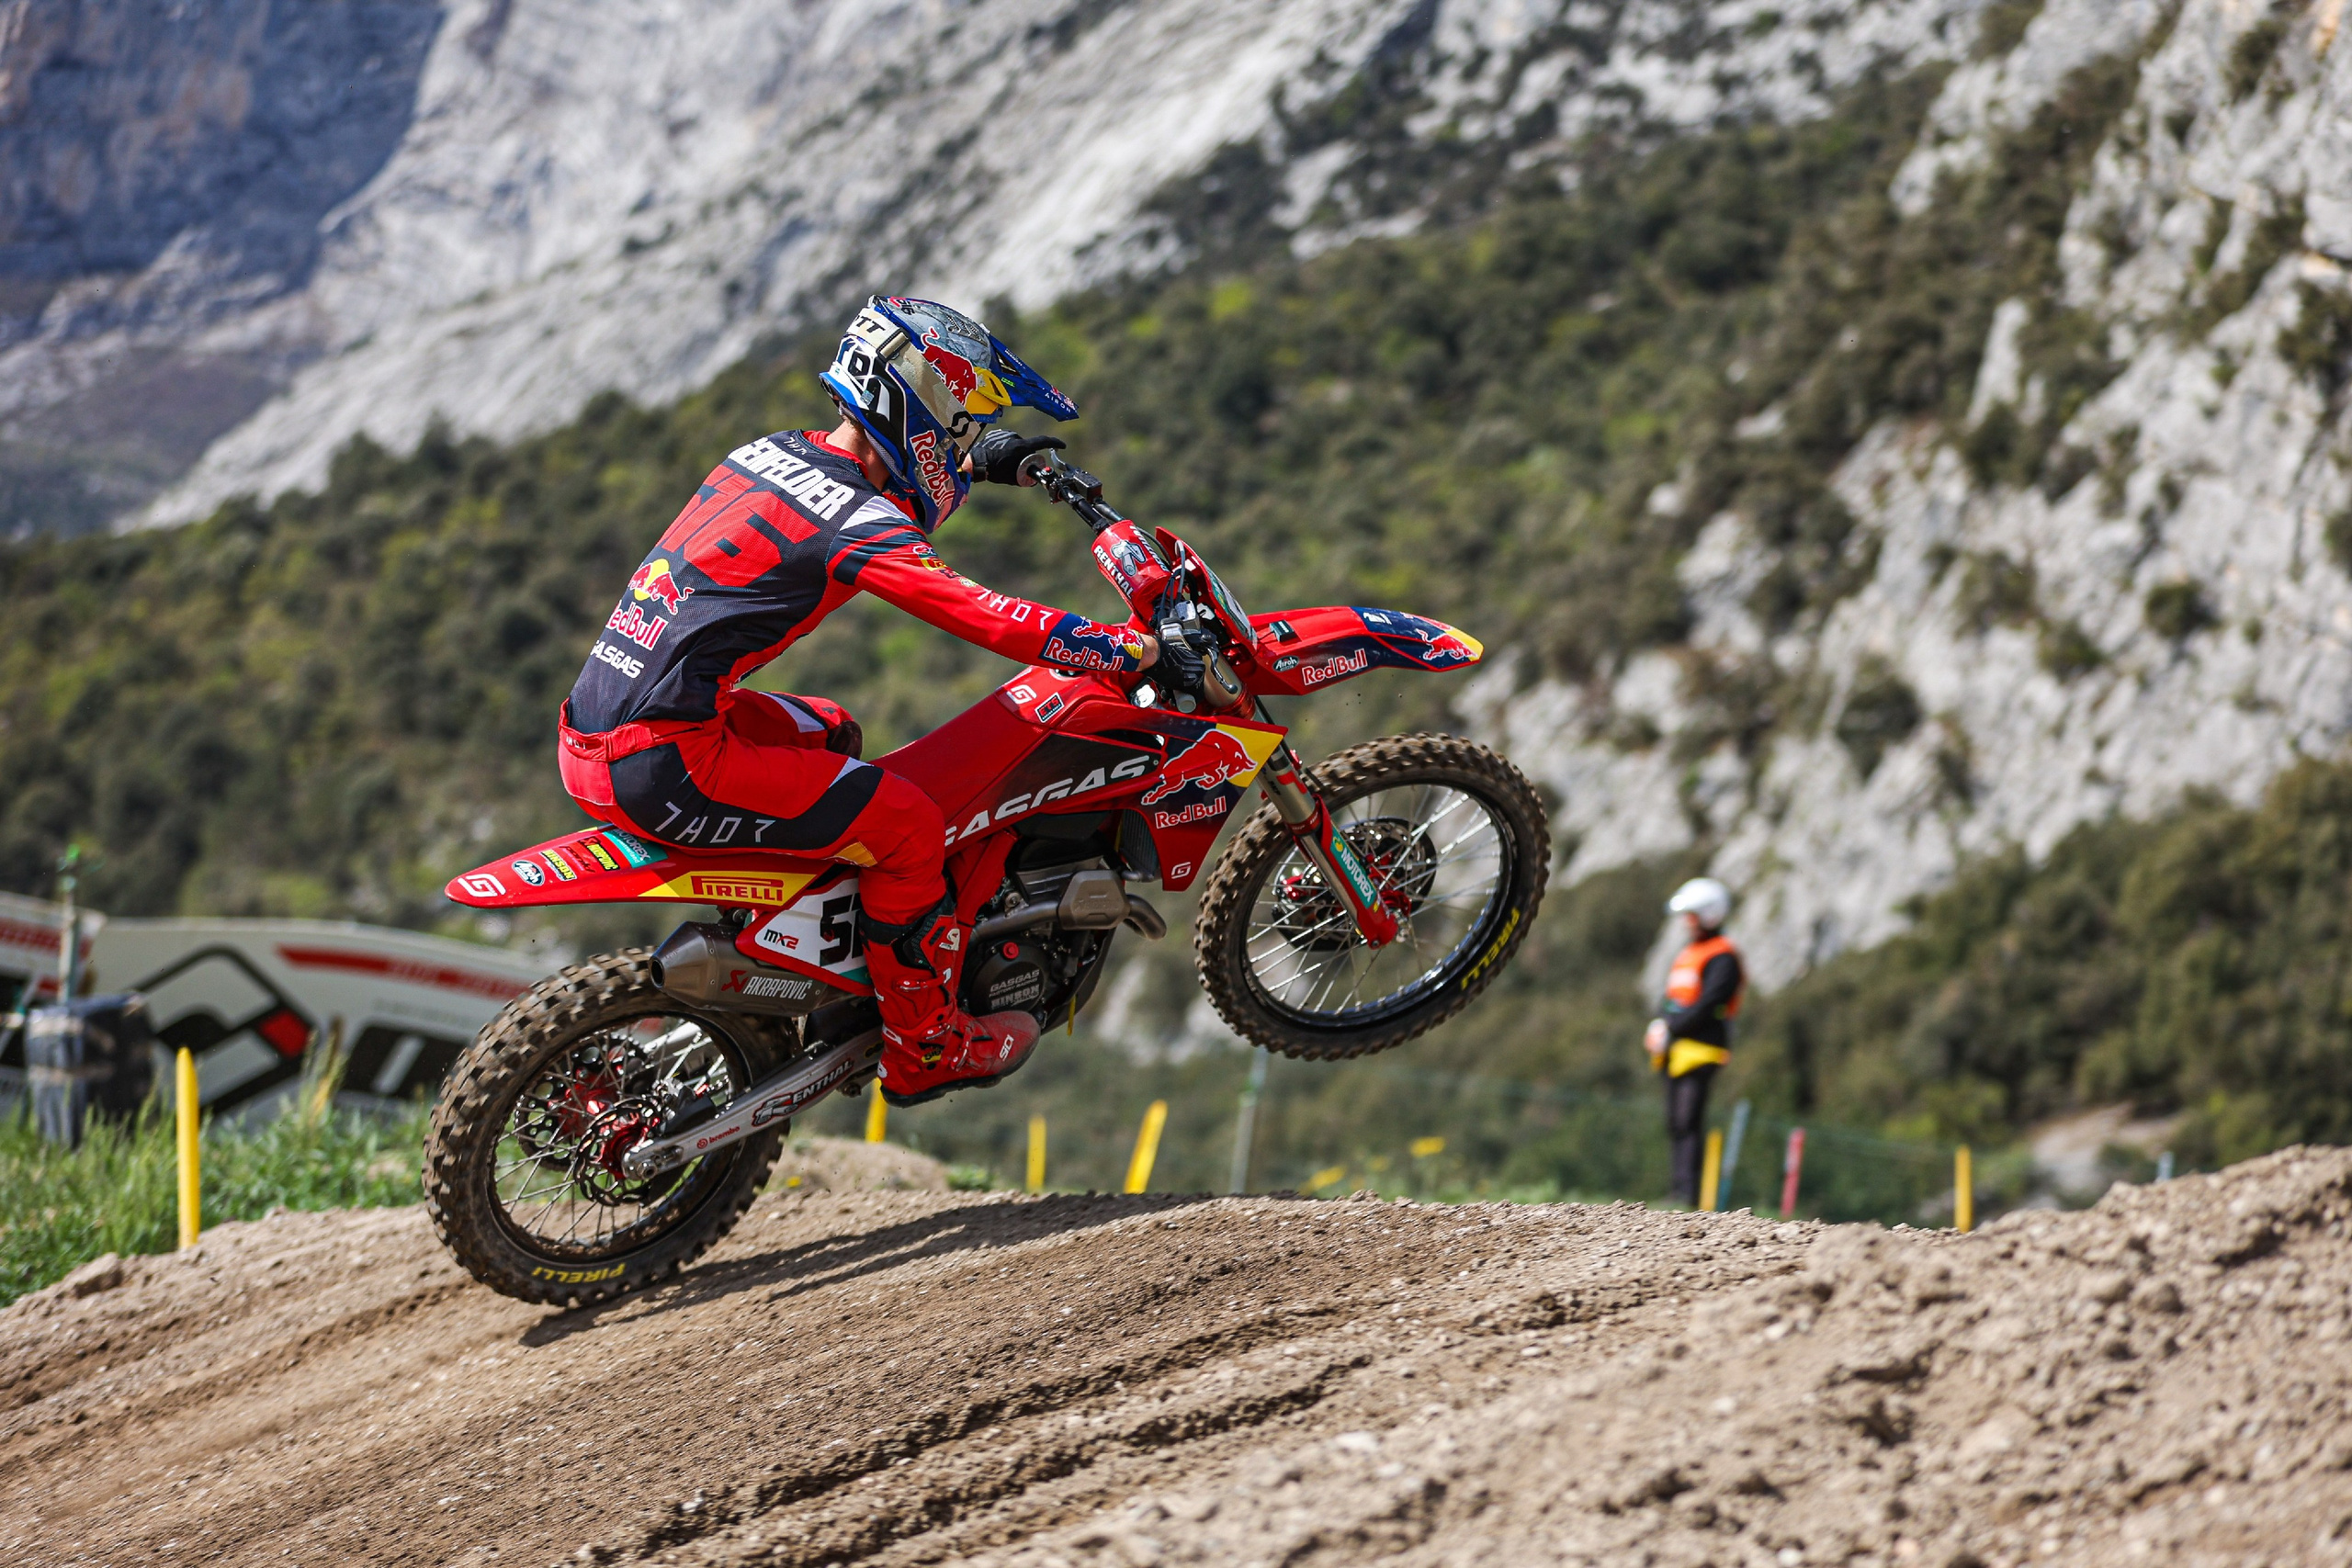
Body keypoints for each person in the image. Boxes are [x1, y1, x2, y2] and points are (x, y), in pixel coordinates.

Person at [558, 296, 1191, 1107]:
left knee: (831, 732)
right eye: (955, 422)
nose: (958, 439)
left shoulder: (768, 453)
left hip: (599, 728)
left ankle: (800, 955)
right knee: (908, 827)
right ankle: (928, 1043)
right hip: (665, 761)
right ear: (911, 403)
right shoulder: (859, 523)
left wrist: (991, 463)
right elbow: (980, 613)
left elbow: (872, 488)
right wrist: (1119, 646)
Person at [1645, 876, 1745, 1207]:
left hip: (1702, 1050)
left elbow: (1709, 1003)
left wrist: (1672, 1028)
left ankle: (1689, 1196)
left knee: (1688, 1119)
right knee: (1675, 1121)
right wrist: (1661, 1025)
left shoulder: (1724, 956)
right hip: (1674, 1050)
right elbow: (1672, 997)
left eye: (1692, 915)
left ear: (1710, 914)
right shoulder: (1689, 953)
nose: (1686, 923)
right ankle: (1679, 1190)